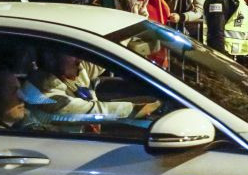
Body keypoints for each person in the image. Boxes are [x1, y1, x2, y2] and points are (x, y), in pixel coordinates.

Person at [23, 50, 160, 133]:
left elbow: (108, 55)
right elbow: (95, 110)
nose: (79, 60)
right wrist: (149, 106)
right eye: (72, 54)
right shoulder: (42, 93)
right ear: (51, 58)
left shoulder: (73, 72)